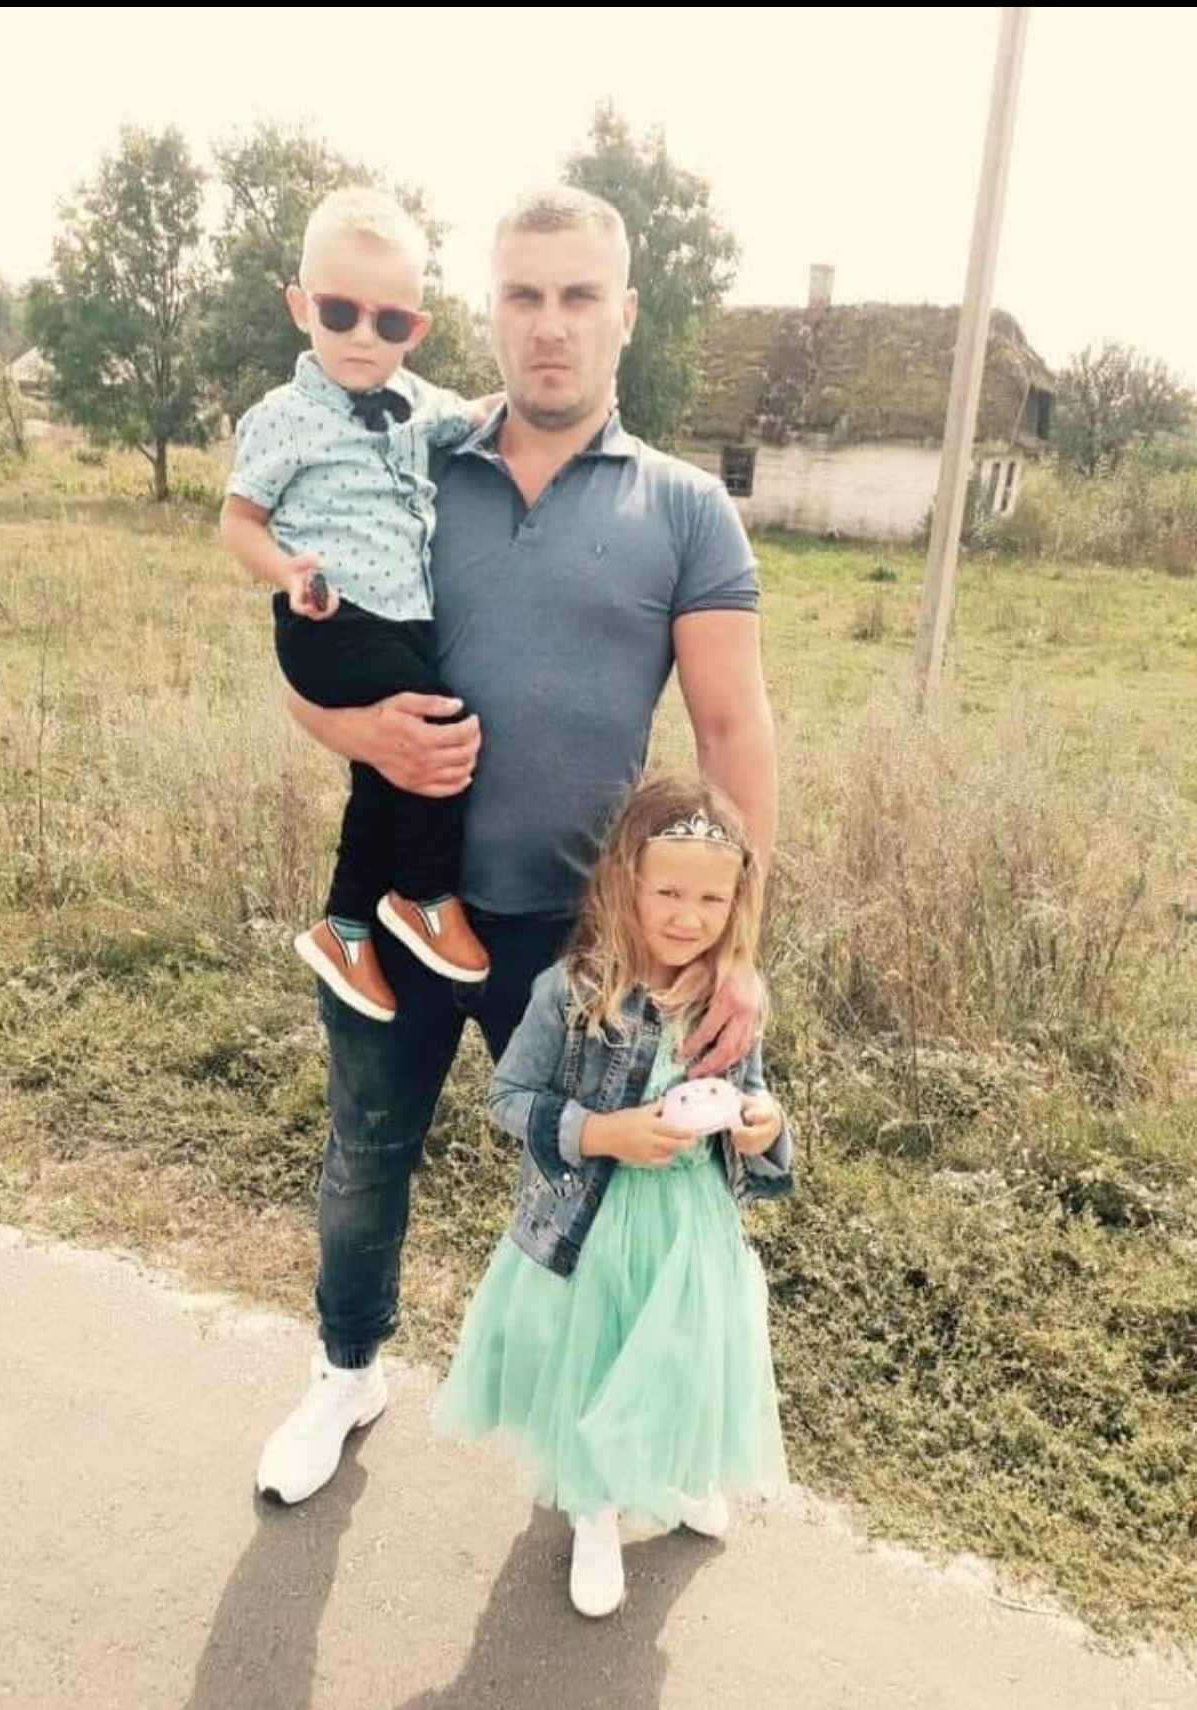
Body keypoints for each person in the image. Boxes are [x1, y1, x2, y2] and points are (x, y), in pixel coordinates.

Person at [253, 185, 781, 1510]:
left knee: (611, 1175)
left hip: (586, 936)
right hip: (405, 907)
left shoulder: (685, 508)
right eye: (524, 295)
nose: (550, 325)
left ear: (625, 314)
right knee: (366, 1150)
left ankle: (620, 1436)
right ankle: (344, 1373)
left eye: (578, 295)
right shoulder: (406, 462)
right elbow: (308, 660)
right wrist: (360, 733)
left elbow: (731, 730)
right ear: (486, 312)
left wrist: (739, 952)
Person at [433, 776, 793, 1617]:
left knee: (683, 1361)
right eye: (668, 892)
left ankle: (676, 1473)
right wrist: (603, 1132)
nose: (688, 916)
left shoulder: (729, 1002)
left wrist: (762, 1125)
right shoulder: (571, 990)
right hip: (595, 1229)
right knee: (596, 1366)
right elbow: (507, 1098)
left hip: (692, 1232)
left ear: (737, 903)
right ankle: (593, 1511)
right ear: (626, 881)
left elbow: (753, 1097)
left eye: (711, 899)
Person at [221, 187, 498, 1022]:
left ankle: (345, 926)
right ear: (300, 307)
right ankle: (421, 893)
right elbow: (238, 519)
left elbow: (477, 416)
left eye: (390, 321)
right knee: (440, 726)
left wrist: (534, 402)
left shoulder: (420, 402)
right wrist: (285, 571)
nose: (363, 337)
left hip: (402, 618)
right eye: (339, 313)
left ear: (417, 328)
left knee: (390, 764)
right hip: (330, 620)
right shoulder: (283, 418)